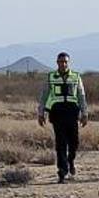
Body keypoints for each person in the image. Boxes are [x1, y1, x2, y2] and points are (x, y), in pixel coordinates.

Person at [37, 52, 88, 183]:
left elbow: (81, 96)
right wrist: (41, 113)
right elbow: (44, 96)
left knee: (74, 143)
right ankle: (62, 172)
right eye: (61, 62)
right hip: (57, 113)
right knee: (60, 144)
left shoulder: (76, 77)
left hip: (72, 113)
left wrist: (84, 113)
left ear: (68, 63)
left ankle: (70, 160)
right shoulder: (51, 77)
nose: (63, 64)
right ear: (57, 62)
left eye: (65, 62)